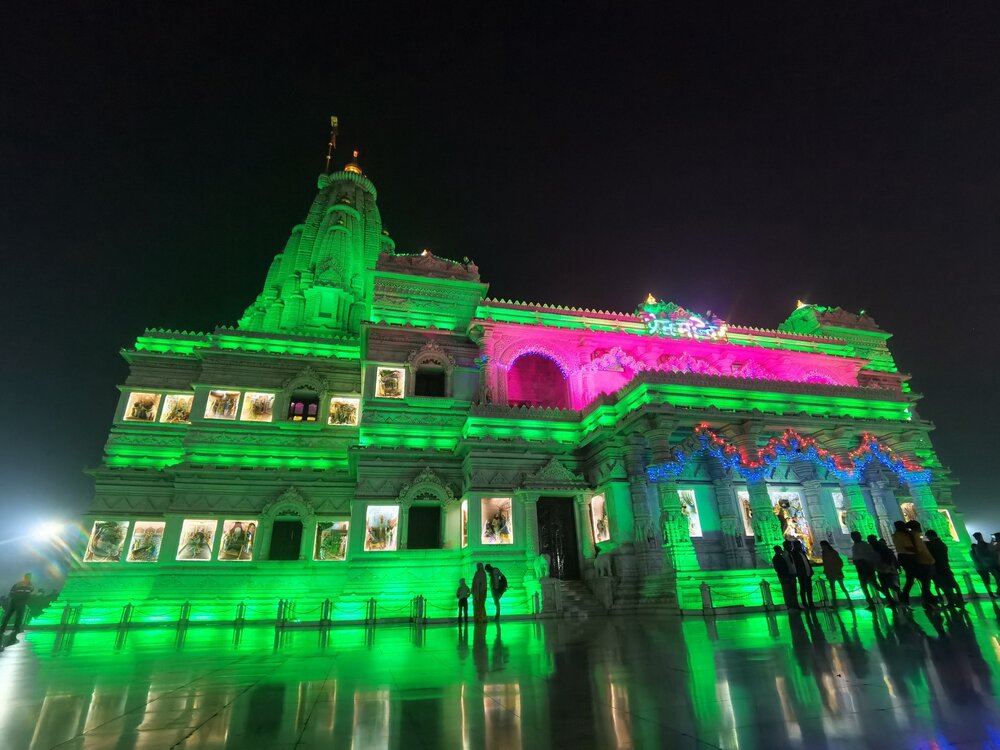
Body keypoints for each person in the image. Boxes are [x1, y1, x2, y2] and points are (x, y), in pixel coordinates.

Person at [899, 521, 939, 609]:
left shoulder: (915, 536)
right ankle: (930, 602)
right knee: (925, 585)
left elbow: (920, 547)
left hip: (923, 562)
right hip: (926, 562)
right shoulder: (918, 535)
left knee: (923, 584)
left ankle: (930, 602)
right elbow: (926, 543)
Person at [925, 529, 963, 608]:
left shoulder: (931, 544)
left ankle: (952, 601)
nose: (927, 538)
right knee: (952, 584)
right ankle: (959, 599)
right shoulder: (942, 544)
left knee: (944, 586)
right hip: (945, 566)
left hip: (938, 568)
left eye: (927, 536)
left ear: (930, 536)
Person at [851, 531, 882, 609]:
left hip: (865, 567)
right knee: (868, 586)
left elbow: (869, 555)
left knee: (870, 585)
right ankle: (871, 603)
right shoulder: (857, 546)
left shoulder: (863, 545)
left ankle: (887, 599)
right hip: (862, 568)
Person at [869, 535, 901, 604]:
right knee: (893, 585)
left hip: (882, 570)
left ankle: (892, 602)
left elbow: (874, 560)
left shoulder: (873, 549)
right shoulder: (884, 548)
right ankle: (901, 599)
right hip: (890, 569)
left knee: (886, 587)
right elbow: (892, 558)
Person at [0, 573, 34, 637]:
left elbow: (12, 592)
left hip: (16, 602)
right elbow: (29, 592)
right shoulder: (28, 585)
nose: (29, 578)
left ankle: (4, 628)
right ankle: (15, 629)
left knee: (9, 615)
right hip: (19, 602)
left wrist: (13, 598)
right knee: (18, 616)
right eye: (29, 577)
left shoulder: (19, 584)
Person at [819, 540, 851, 608]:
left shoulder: (828, 553)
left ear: (825, 546)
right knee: (838, 588)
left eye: (822, 546)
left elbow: (829, 563)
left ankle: (838, 604)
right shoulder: (831, 552)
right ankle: (848, 602)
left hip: (833, 573)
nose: (821, 547)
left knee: (837, 588)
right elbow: (838, 562)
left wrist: (828, 570)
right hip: (834, 572)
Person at [971, 532, 1000, 597]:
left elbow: (993, 545)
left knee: (997, 579)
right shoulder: (978, 547)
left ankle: (997, 592)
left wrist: (994, 538)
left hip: (991, 564)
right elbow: (982, 555)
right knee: (996, 579)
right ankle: (996, 592)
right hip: (990, 565)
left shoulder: (980, 546)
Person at [771, 544, 799, 610]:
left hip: (787, 576)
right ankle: (790, 605)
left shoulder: (780, 557)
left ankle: (793, 605)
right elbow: (778, 568)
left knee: (790, 591)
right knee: (788, 591)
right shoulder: (777, 558)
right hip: (784, 576)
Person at [791, 541, 815, 609]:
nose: (799, 546)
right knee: (803, 588)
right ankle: (805, 604)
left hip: (807, 572)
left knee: (809, 589)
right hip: (802, 573)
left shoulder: (802, 552)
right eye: (798, 545)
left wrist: (810, 570)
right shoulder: (794, 553)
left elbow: (806, 562)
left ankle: (811, 603)